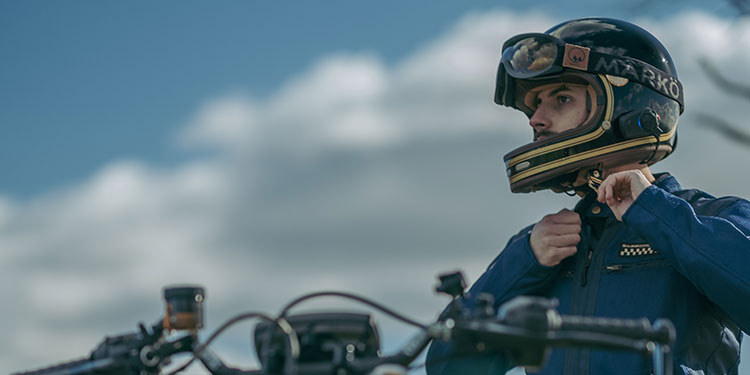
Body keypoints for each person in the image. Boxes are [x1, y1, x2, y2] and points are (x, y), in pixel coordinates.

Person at [425, 17, 750, 375]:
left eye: (561, 99)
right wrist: (525, 260)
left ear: (627, 104)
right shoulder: (540, 244)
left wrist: (654, 212)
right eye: (535, 106)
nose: (537, 119)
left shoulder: (716, 216)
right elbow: (449, 365)